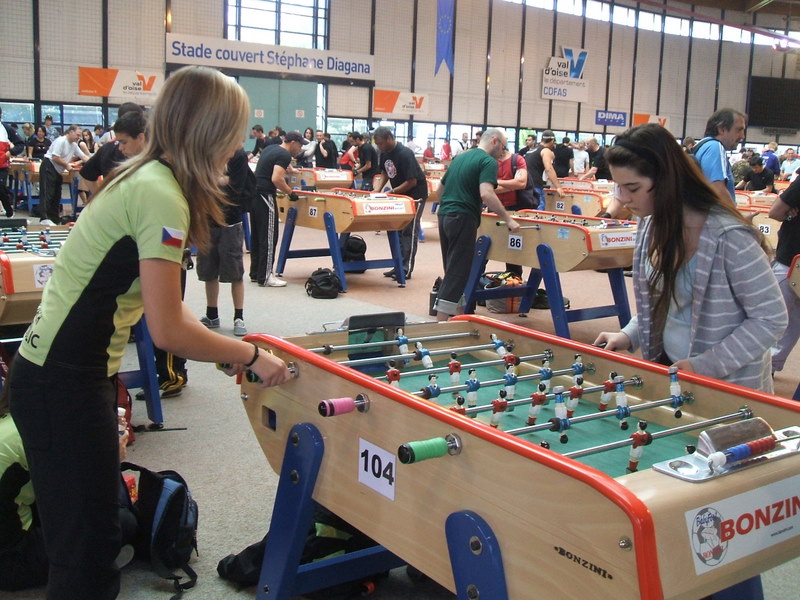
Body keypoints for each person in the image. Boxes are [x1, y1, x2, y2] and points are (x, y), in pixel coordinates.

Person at [7, 65, 293, 600]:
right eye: (234, 132)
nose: (238, 146)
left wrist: (226, 351)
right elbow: (167, 330)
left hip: (69, 376)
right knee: (86, 558)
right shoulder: (160, 193)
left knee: (92, 538)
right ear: (209, 132)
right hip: (61, 383)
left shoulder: (150, 179)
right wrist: (251, 355)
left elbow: (164, 309)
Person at [594, 123, 786, 394]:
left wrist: (704, 366)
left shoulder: (730, 237)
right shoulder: (650, 224)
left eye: (633, 188)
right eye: (619, 187)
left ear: (666, 180)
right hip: (671, 368)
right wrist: (630, 333)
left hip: (727, 386)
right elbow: (665, 301)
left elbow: (771, 319)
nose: (624, 199)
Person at [428, 127, 521, 320]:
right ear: (494, 141)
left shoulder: (460, 158)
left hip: (444, 215)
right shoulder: (488, 161)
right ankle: (441, 324)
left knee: (453, 268)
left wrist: (451, 205)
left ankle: (460, 317)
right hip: (463, 217)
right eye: (503, 147)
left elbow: (440, 191)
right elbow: (486, 193)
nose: (503, 152)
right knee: (458, 271)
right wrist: (508, 219)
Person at [198, 147, 252, 337]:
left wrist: (213, 180)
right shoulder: (206, 151)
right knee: (208, 270)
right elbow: (199, 181)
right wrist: (220, 180)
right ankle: (212, 314)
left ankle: (239, 316)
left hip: (230, 221)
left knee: (235, 272)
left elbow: (236, 187)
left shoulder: (238, 155)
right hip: (207, 220)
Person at [374, 126, 428, 279]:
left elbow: (412, 182)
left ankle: (406, 268)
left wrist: (391, 192)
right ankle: (398, 265)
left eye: (381, 143)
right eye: (377, 144)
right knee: (396, 229)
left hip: (415, 195)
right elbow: (385, 172)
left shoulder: (405, 154)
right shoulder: (384, 153)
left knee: (409, 231)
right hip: (399, 194)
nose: (379, 147)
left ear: (389, 138)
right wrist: (377, 189)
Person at [252, 130, 305, 287]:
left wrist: (292, 170)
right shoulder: (284, 155)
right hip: (265, 195)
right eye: (300, 145)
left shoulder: (271, 148)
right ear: (293, 143)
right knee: (269, 236)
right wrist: (290, 192)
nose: (300, 149)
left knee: (257, 235)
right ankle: (266, 276)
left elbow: (275, 165)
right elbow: (276, 178)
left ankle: (256, 273)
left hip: (254, 194)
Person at [768, 178, 800, 375]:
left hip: (790, 262)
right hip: (791, 261)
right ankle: (770, 365)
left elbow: (775, 212)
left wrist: (788, 214)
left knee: (772, 319)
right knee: (793, 322)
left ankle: (766, 367)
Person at [80, 110, 147, 196]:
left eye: (124, 142)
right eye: (119, 142)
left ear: (141, 137)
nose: (120, 148)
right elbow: (87, 173)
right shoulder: (109, 150)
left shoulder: (155, 159)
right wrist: (101, 198)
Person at [693, 108, 746, 204]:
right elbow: (718, 189)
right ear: (722, 129)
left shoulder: (702, 146)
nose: (742, 136)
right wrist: (734, 213)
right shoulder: (715, 147)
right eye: (739, 130)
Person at [39, 125, 89, 223]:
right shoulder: (61, 141)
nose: (78, 137)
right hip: (49, 166)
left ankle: (54, 218)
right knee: (48, 193)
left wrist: (95, 163)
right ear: (70, 132)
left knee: (56, 194)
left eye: (80, 136)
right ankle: (44, 218)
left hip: (58, 170)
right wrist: (67, 165)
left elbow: (83, 157)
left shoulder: (74, 145)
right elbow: (55, 157)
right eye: (77, 135)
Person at [525, 130, 565, 210]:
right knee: (538, 213)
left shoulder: (531, 151)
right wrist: (558, 187)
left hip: (525, 186)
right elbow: (549, 168)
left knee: (528, 212)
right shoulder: (545, 151)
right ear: (552, 141)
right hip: (535, 186)